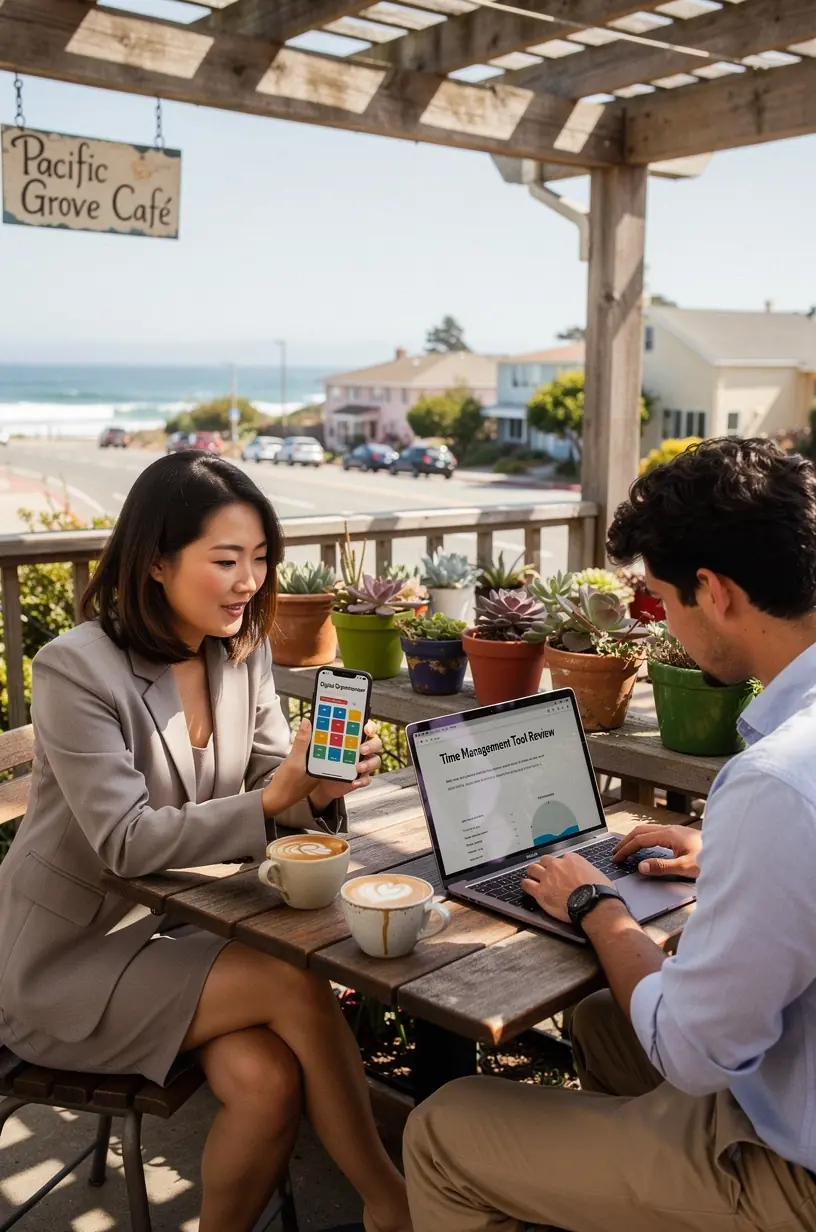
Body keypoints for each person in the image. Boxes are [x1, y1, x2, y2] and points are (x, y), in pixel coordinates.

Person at [404, 437, 816, 1232]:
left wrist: (597, 904)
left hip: (792, 1175)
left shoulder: (778, 783)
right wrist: (726, 849)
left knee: (440, 1131)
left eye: (660, 603)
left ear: (716, 592)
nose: (659, 626)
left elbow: (689, 1053)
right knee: (597, 1020)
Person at [0, 452, 411, 1232]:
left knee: (266, 1081)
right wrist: (273, 797)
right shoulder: (74, 668)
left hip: (185, 932)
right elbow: (122, 841)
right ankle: (390, 1203)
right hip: (67, 962)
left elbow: (267, 775)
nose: (248, 581)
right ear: (156, 561)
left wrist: (314, 789)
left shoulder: (237, 653)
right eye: (225, 560)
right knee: (295, 980)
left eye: (259, 560)